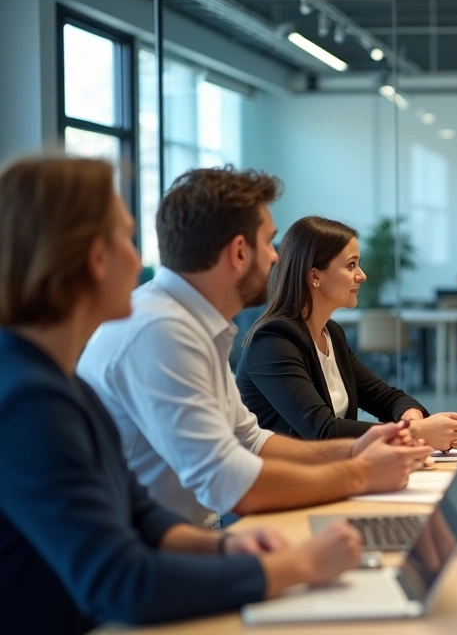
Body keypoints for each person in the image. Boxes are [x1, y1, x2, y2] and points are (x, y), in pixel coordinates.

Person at [0, 156, 363, 633]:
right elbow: (120, 582)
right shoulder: (29, 401)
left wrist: (225, 548)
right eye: (127, 240)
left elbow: (142, 515)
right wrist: (296, 567)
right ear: (95, 258)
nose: (140, 261)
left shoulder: (57, 379)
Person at [79, 166, 432, 528]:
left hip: (189, 535)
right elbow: (226, 481)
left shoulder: (194, 324)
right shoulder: (162, 331)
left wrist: (357, 448)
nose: (276, 257)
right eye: (268, 241)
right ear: (238, 252)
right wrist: (359, 472)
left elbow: (250, 440)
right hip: (151, 552)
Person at [237, 216, 457, 450]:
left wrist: (413, 421)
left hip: (332, 475)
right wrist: (415, 433)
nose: (362, 275)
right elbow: (322, 432)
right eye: (351, 265)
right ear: (314, 276)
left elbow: (387, 398)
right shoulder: (273, 341)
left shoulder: (331, 333)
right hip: (286, 484)